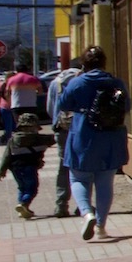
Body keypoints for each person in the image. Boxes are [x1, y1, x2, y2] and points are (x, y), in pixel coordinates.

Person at [51, 48, 131, 241]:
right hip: (111, 138)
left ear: (84, 64)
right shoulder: (116, 82)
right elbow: (126, 106)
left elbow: (63, 104)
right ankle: (101, 228)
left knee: (78, 178)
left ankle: (87, 213)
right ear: (104, 63)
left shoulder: (78, 82)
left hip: (83, 137)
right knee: (105, 183)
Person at [0, 109, 54, 219]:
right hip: (29, 167)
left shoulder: (13, 140)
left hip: (15, 167)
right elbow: (54, 139)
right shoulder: (40, 139)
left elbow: (6, 156)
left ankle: (22, 208)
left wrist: (2, 170)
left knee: (22, 188)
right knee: (32, 188)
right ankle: (23, 204)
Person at [43, 58, 83, 218]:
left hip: (62, 128)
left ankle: (61, 204)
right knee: (83, 166)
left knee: (63, 166)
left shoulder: (56, 82)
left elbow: (50, 108)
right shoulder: (82, 80)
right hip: (81, 128)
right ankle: (83, 204)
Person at [0, 64, 45, 135]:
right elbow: (40, 92)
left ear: (17, 71)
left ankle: (21, 139)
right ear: (27, 70)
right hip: (31, 105)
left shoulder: (11, 80)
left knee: (18, 124)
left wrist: (9, 103)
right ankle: (32, 138)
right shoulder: (34, 79)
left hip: (16, 105)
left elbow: (7, 93)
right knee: (31, 123)